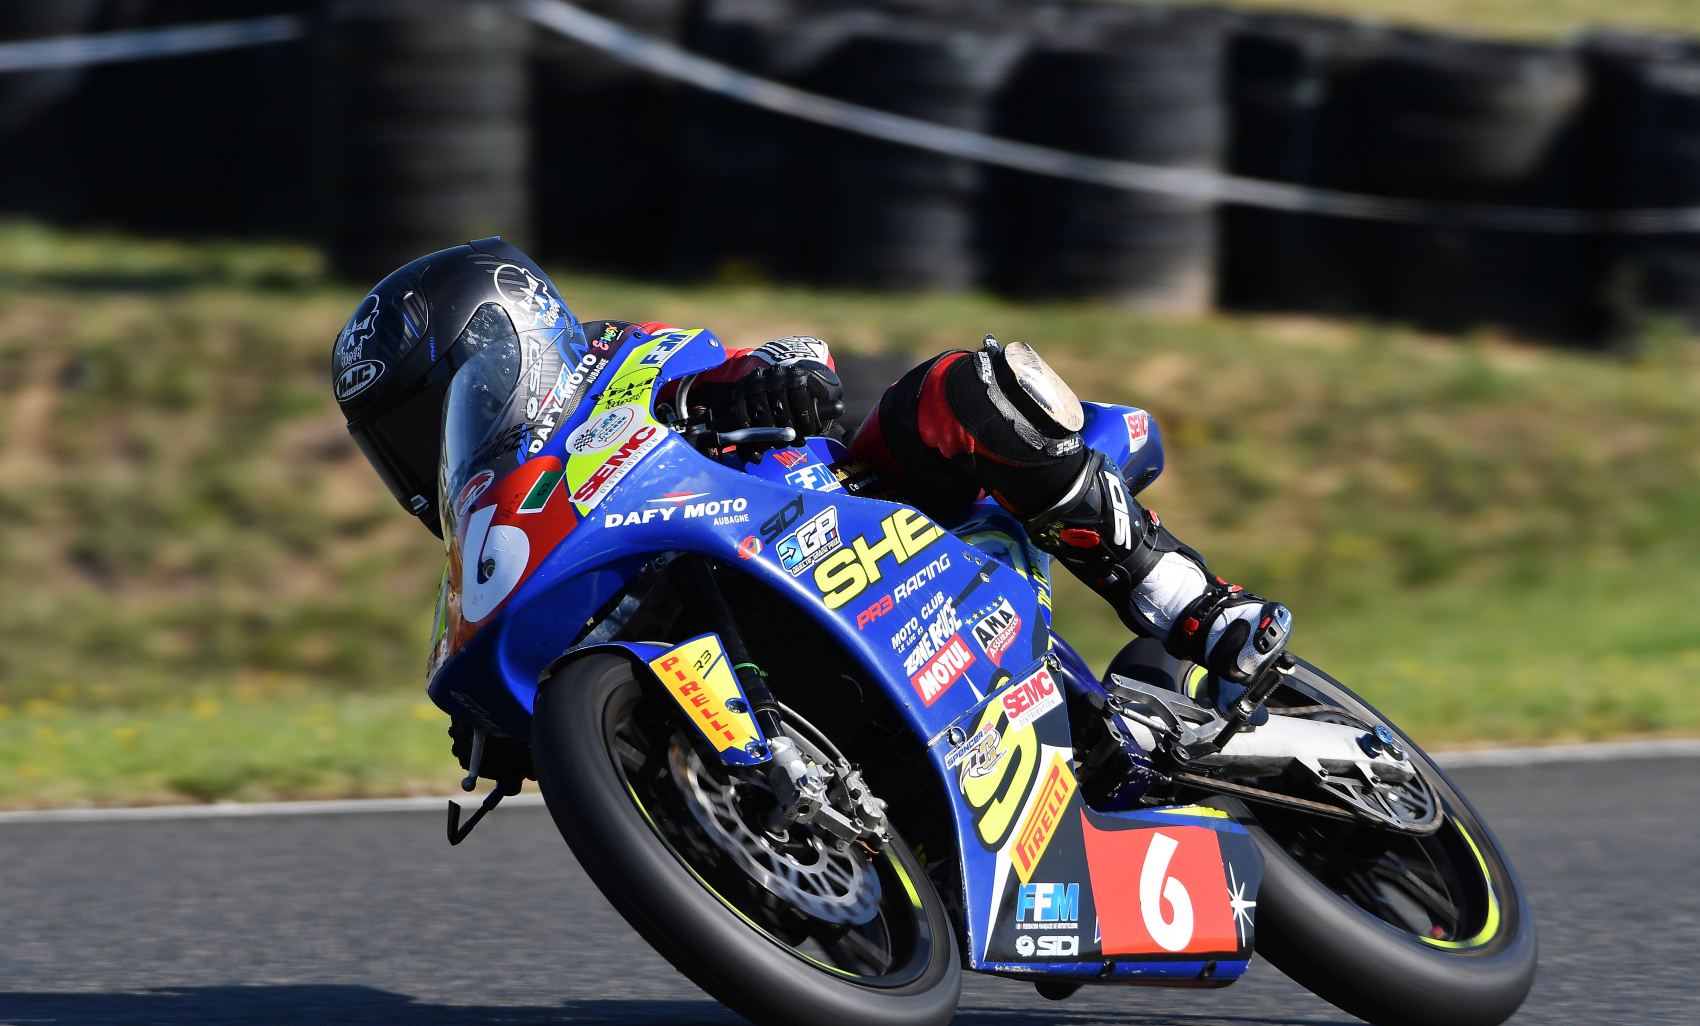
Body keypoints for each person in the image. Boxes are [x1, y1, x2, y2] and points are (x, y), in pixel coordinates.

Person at [334, 240, 1291, 758]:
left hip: (851, 522)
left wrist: (774, 381)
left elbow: (766, 359)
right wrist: (505, 729)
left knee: (954, 392)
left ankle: (1192, 603)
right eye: (400, 442)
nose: (426, 452)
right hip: (759, 643)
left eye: (433, 411)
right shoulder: (495, 549)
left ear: (504, 340)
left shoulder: (617, 361)